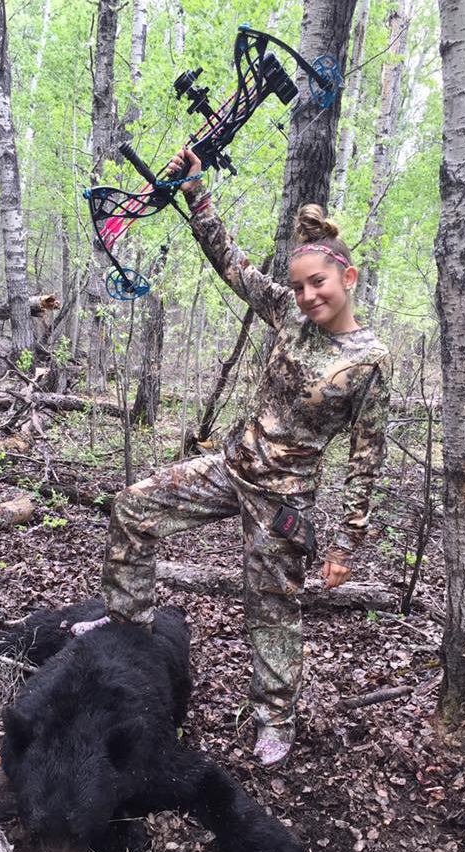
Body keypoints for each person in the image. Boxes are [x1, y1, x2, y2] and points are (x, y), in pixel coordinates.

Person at [74, 146, 393, 768]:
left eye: (318, 283)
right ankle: (127, 624)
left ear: (348, 279)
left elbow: (367, 455)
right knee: (134, 507)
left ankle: (276, 718)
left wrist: (348, 543)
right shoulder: (285, 314)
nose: (306, 295)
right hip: (230, 467)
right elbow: (232, 264)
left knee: (272, 606)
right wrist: (197, 192)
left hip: (284, 501)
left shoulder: (371, 359)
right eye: (299, 285)